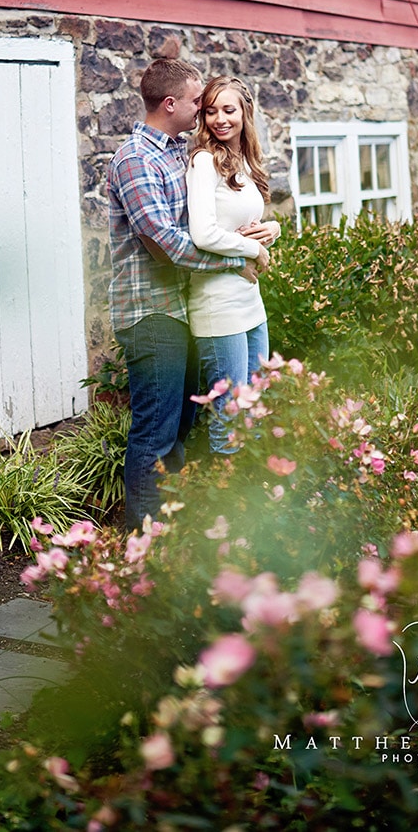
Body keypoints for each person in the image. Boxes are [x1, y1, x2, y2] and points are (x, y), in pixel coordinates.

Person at [104, 57, 266, 528]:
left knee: (181, 427)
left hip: (185, 308)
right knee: (155, 433)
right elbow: (165, 244)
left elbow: (210, 214)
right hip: (151, 314)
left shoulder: (177, 151)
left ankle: (170, 533)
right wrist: (238, 260)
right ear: (171, 103)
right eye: (198, 102)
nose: (203, 111)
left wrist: (253, 234)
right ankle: (143, 543)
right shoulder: (134, 159)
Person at [186, 75, 281, 453]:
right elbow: (204, 234)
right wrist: (252, 250)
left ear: (245, 112)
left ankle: (251, 495)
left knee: (253, 403)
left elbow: (246, 221)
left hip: (249, 298)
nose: (220, 119)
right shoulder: (205, 161)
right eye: (210, 112)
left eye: (229, 110)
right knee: (229, 412)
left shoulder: (241, 160)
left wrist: (271, 229)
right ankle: (226, 504)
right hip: (217, 301)